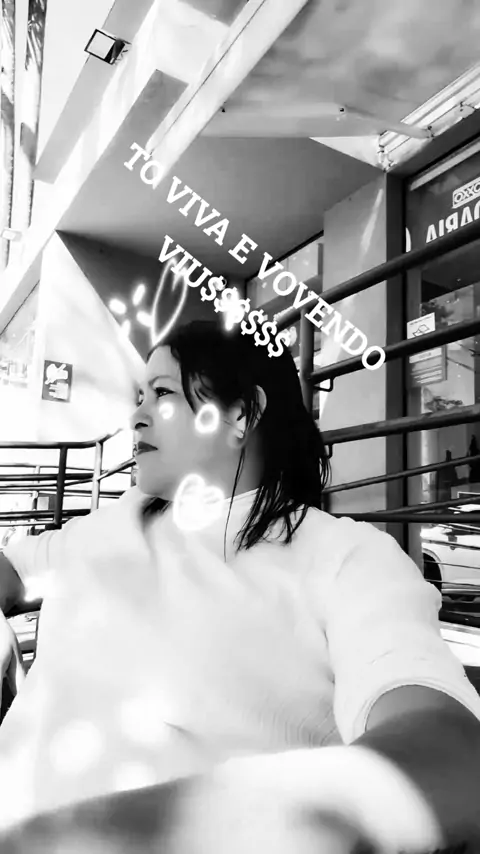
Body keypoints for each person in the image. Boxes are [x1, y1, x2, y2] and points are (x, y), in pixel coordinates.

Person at [0, 319, 480, 853]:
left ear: (241, 414)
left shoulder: (344, 559)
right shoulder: (114, 520)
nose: (135, 416)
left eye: (163, 393)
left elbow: (448, 752)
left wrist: (110, 836)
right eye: (139, 396)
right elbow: (13, 572)